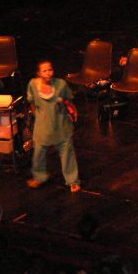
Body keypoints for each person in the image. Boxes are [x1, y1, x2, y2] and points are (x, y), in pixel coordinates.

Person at [26, 60, 81, 192]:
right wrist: (39, 116)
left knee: (67, 153)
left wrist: (64, 105)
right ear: (39, 73)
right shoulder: (33, 85)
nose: (48, 73)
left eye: (50, 70)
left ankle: (72, 180)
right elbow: (31, 103)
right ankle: (39, 177)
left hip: (61, 125)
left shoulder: (60, 84)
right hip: (43, 126)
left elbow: (69, 99)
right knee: (38, 152)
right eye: (44, 70)